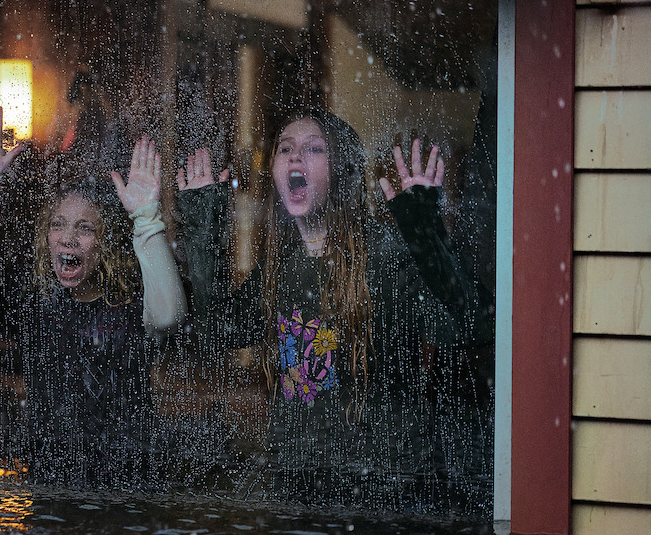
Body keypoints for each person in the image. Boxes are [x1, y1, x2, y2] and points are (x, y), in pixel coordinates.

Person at [175, 108, 485, 514]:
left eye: (313, 149)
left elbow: (458, 327)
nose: (295, 158)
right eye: (285, 148)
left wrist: (426, 234)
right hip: (297, 484)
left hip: (382, 490)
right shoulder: (279, 265)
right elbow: (219, 331)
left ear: (342, 170)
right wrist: (204, 224)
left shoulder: (383, 255)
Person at [0, 103, 185, 490]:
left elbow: (169, 316)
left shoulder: (131, 303)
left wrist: (146, 217)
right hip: (51, 486)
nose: (68, 237)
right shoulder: (31, 302)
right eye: (58, 225)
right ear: (45, 237)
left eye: (84, 228)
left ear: (105, 245)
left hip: (129, 489)